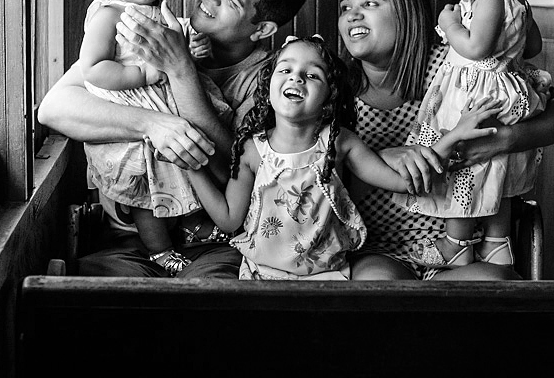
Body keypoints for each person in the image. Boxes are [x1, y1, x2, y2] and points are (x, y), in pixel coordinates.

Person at [36, 0, 310, 278]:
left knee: (211, 299)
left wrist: (181, 71)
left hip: (221, 245)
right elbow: (54, 108)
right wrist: (153, 125)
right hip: (131, 238)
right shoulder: (160, 31)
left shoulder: (274, 80)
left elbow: (239, 175)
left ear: (262, 29)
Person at [338, 0, 554, 281]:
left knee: (492, 285)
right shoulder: (336, 89)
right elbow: (322, 180)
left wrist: (504, 139)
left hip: (467, 249)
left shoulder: (456, 64)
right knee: (377, 286)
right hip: (380, 248)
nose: (353, 14)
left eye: (369, 3)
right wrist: (379, 160)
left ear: (406, 13)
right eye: (345, 7)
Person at [186, 36, 499, 280]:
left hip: (330, 277)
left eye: (313, 75)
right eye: (286, 69)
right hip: (260, 277)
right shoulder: (253, 150)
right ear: (268, 86)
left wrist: (454, 136)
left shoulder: (339, 143)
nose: (297, 78)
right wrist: (193, 170)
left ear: (329, 98)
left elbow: (403, 182)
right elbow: (228, 219)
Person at [394, 0, 549, 271]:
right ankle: (497, 243)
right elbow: (534, 45)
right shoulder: (518, 1)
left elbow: (476, 48)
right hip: (501, 91)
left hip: (472, 95)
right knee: (495, 165)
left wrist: (451, 26)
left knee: (462, 163)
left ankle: (456, 242)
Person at [76, 0, 223, 275]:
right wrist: (141, 72)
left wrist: (192, 50)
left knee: (187, 163)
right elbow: (92, 68)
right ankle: (158, 249)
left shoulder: (160, 12)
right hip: (132, 113)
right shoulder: (109, 14)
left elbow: (177, 55)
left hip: (168, 109)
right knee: (146, 184)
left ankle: (191, 224)